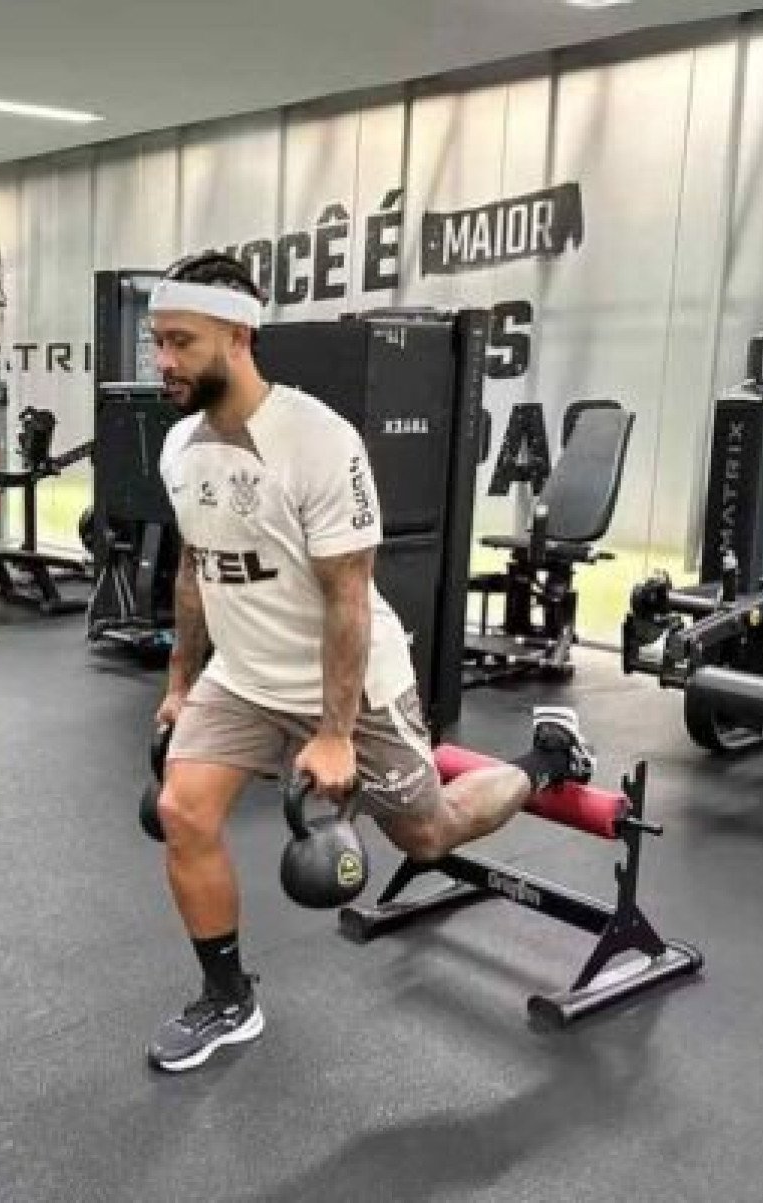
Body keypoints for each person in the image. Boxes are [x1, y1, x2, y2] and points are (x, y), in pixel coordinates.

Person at [145, 251, 595, 1072]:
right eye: (158, 342)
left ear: (239, 335)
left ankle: (547, 758)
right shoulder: (180, 445)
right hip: (242, 677)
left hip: (351, 683)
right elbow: (194, 568)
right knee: (183, 811)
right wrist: (180, 682)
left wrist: (335, 733)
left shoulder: (318, 441)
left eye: (181, 341)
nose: (164, 361)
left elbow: (350, 596)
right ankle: (228, 998)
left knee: (428, 835)